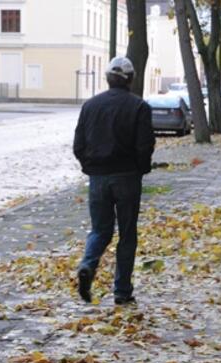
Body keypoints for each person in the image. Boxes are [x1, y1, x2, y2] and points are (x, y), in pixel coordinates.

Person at [73, 56, 156, 306]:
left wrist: (91, 167)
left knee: (100, 230)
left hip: (98, 178)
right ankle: (122, 291)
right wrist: (140, 169)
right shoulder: (139, 107)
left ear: (107, 78)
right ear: (130, 79)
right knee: (127, 234)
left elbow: (78, 145)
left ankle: (88, 264)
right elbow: (145, 145)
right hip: (127, 177)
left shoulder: (90, 106)